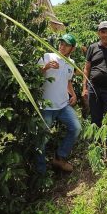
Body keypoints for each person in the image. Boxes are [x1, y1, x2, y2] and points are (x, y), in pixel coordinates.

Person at [37, 34, 81, 173]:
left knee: (76, 128)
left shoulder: (71, 63)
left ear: (72, 48)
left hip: (63, 105)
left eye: (66, 44)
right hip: (46, 106)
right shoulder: (47, 56)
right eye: (61, 43)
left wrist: (73, 94)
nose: (62, 46)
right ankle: (41, 173)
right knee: (41, 140)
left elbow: (67, 81)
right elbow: (33, 75)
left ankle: (59, 157)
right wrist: (45, 68)